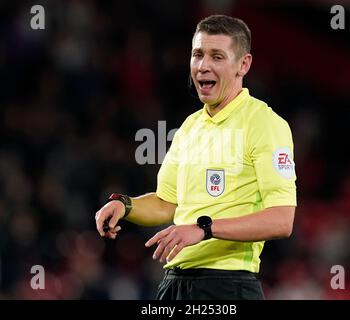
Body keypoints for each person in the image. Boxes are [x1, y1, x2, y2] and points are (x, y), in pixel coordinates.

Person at [95, 14, 297, 300]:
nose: (203, 66)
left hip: (228, 285)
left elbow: (281, 220)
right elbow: (166, 203)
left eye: (217, 56)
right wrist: (125, 206)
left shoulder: (265, 123)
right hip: (175, 283)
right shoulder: (189, 127)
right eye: (198, 55)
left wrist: (204, 229)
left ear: (244, 64)